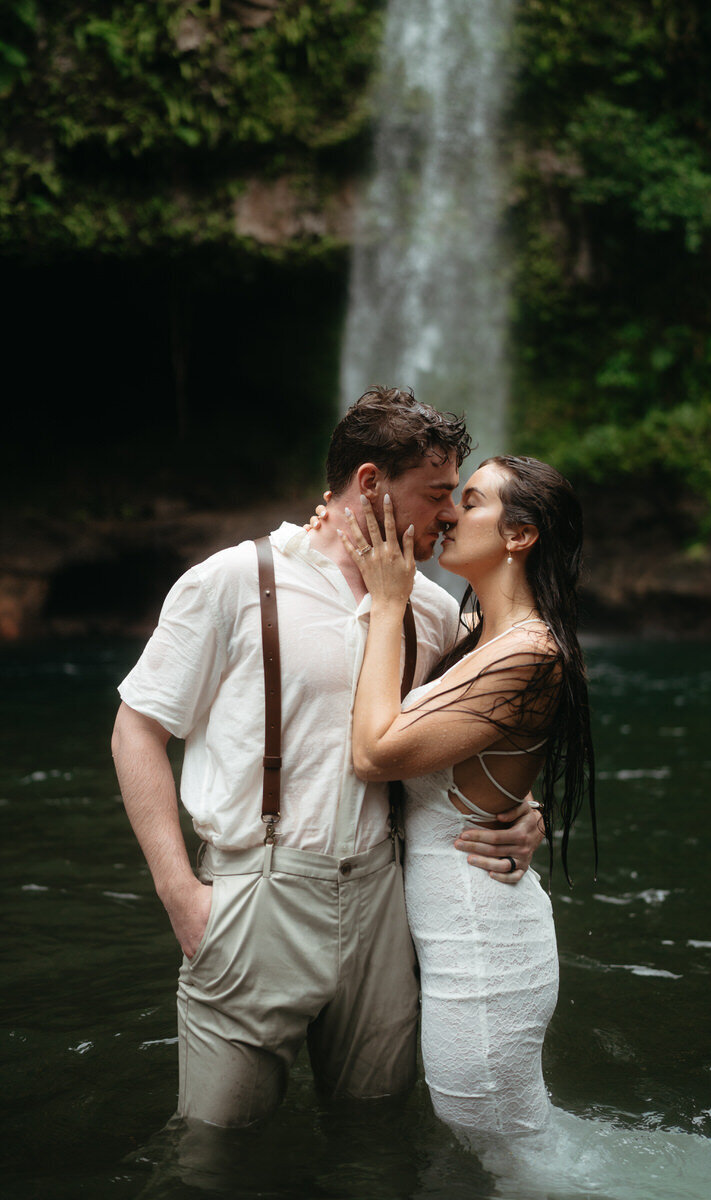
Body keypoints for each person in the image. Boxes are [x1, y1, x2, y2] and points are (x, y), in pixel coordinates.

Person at [110, 388, 545, 1129]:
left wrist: (523, 810)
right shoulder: (232, 581)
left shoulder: (435, 612)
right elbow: (137, 730)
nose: (448, 515)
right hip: (255, 889)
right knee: (215, 1150)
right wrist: (180, 894)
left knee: (376, 1142)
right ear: (371, 483)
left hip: (384, 899)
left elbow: (464, 742)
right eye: (436, 494)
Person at [339, 454, 596, 1140]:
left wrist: (390, 601)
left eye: (472, 501)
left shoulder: (529, 652)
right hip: (461, 940)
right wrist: (526, 806)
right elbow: (493, 762)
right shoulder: (485, 639)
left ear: (519, 535)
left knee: (514, 1161)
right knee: (514, 1151)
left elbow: (373, 755)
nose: (450, 512)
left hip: (483, 952)